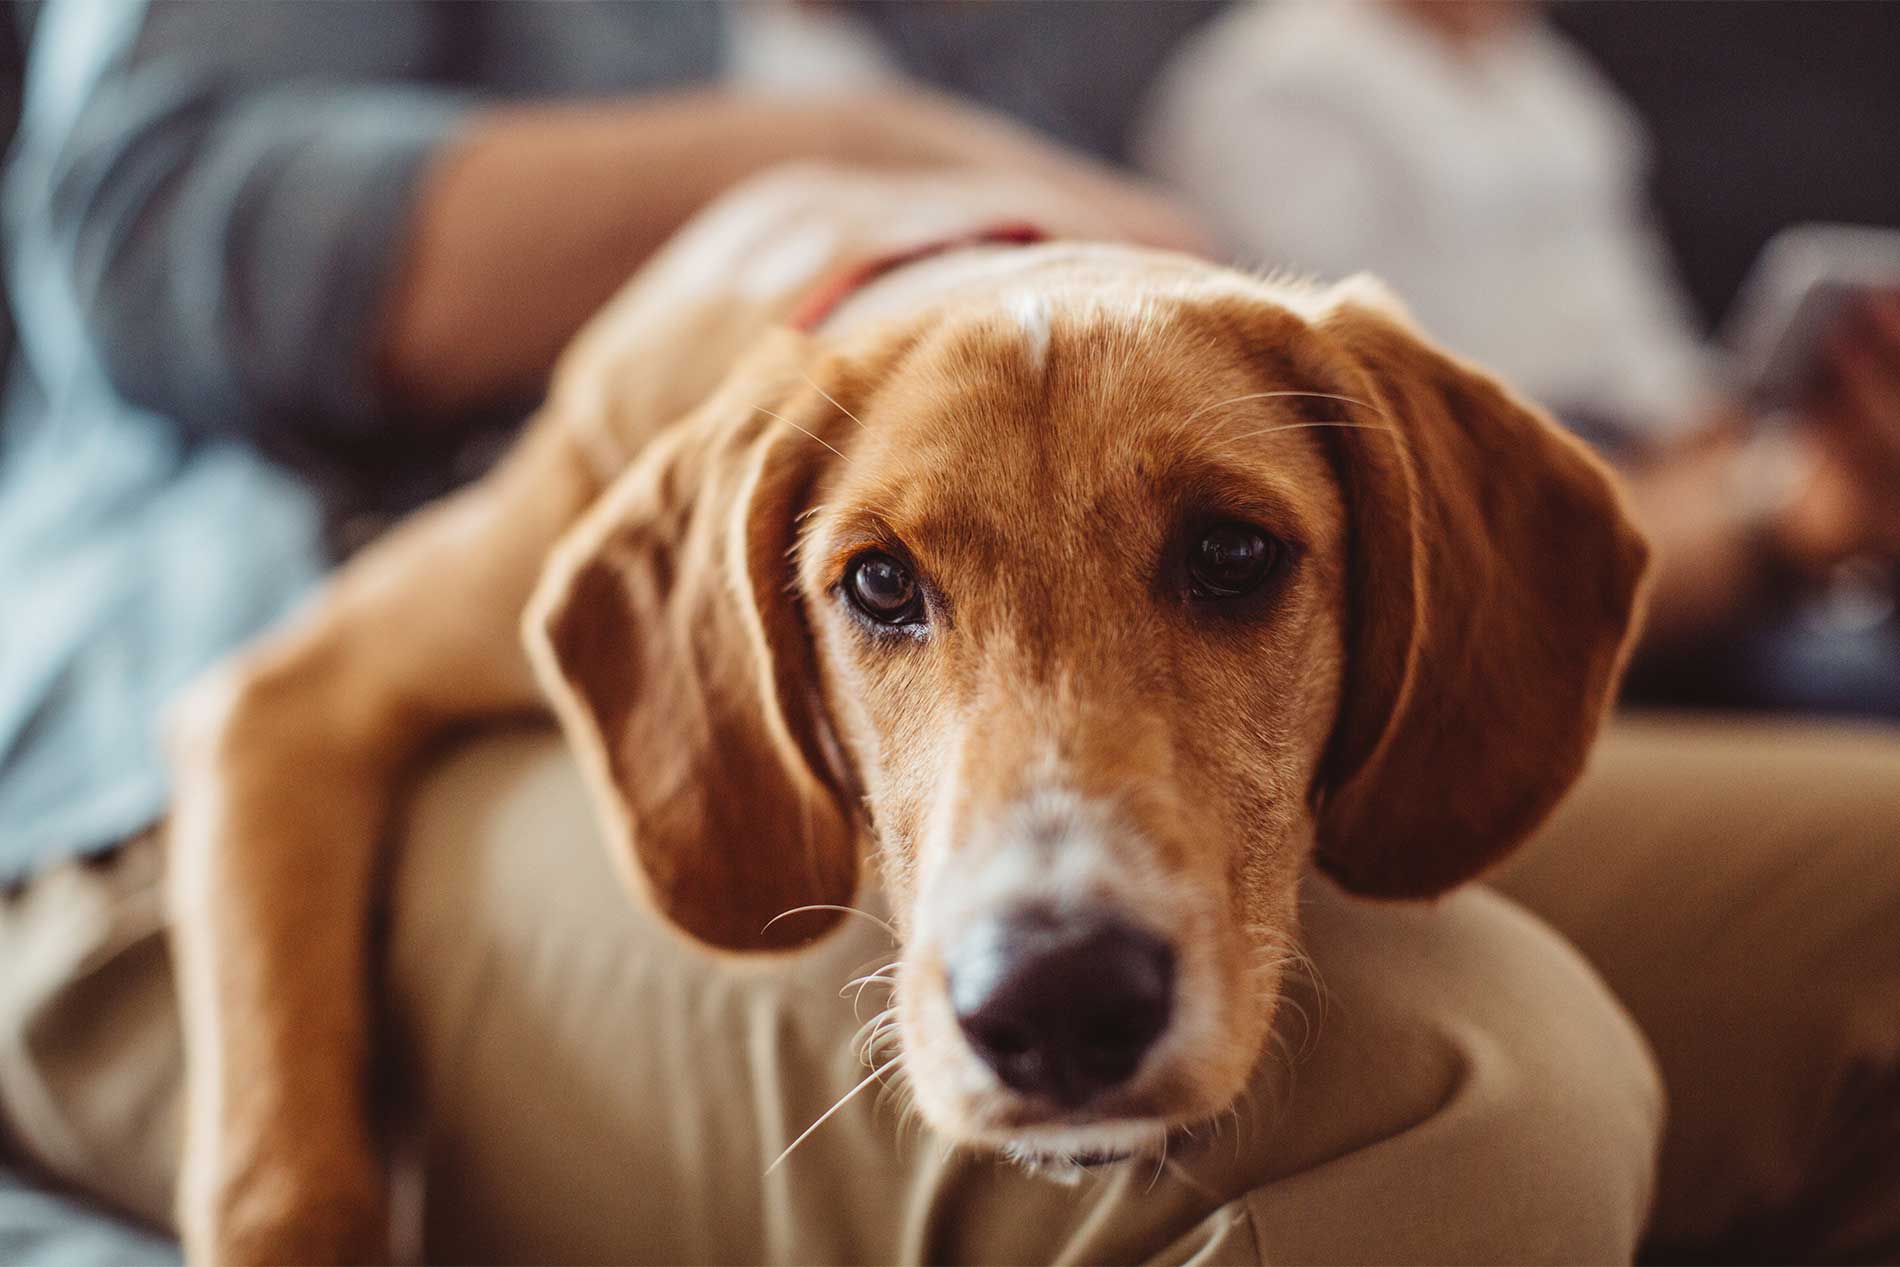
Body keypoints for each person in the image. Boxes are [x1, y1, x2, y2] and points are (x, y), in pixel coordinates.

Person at [1136, 0, 1900, 719]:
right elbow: (1357, 382)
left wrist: (1705, 419)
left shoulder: (1548, 80)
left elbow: (1632, 312)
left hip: (1640, 447)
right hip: (1488, 466)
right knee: (1838, 658)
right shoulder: (1281, 80)